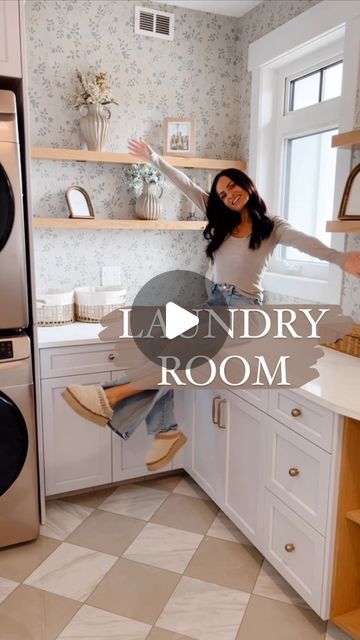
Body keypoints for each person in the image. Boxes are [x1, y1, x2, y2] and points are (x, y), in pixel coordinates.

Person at [62, 139, 360, 470]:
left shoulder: (272, 227)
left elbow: (306, 244)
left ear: (247, 185)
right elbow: (186, 184)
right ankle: (165, 430)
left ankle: (113, 398)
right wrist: (154, 159)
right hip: (215, 301)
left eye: (233, 186)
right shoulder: (221, 221)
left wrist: (340, 258)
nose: (229, 194)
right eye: (222, 193)